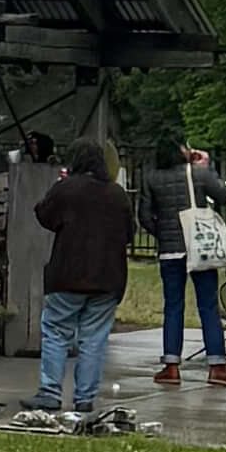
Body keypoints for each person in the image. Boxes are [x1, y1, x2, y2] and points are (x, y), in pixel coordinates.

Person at [24, 136, 135, 423]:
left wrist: (57, 187)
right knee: (94, 338)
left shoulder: (67, 189)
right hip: (108, 278)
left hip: (68, 274)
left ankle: (50, 392)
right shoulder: (117, 194)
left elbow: (45, 215)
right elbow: (129, 233)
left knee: (56, 332)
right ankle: (85, 398)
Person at [137, 139, 226, 387]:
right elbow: (224, 196)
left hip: (170, 251)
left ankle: (171, 366)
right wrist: (206, 165)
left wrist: (162, 233)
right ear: (182, 149)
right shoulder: (199, 173)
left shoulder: (151, 178)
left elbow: (144, 215)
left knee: (173, 306)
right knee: (208, 306)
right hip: (199, 248)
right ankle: (217, 366)